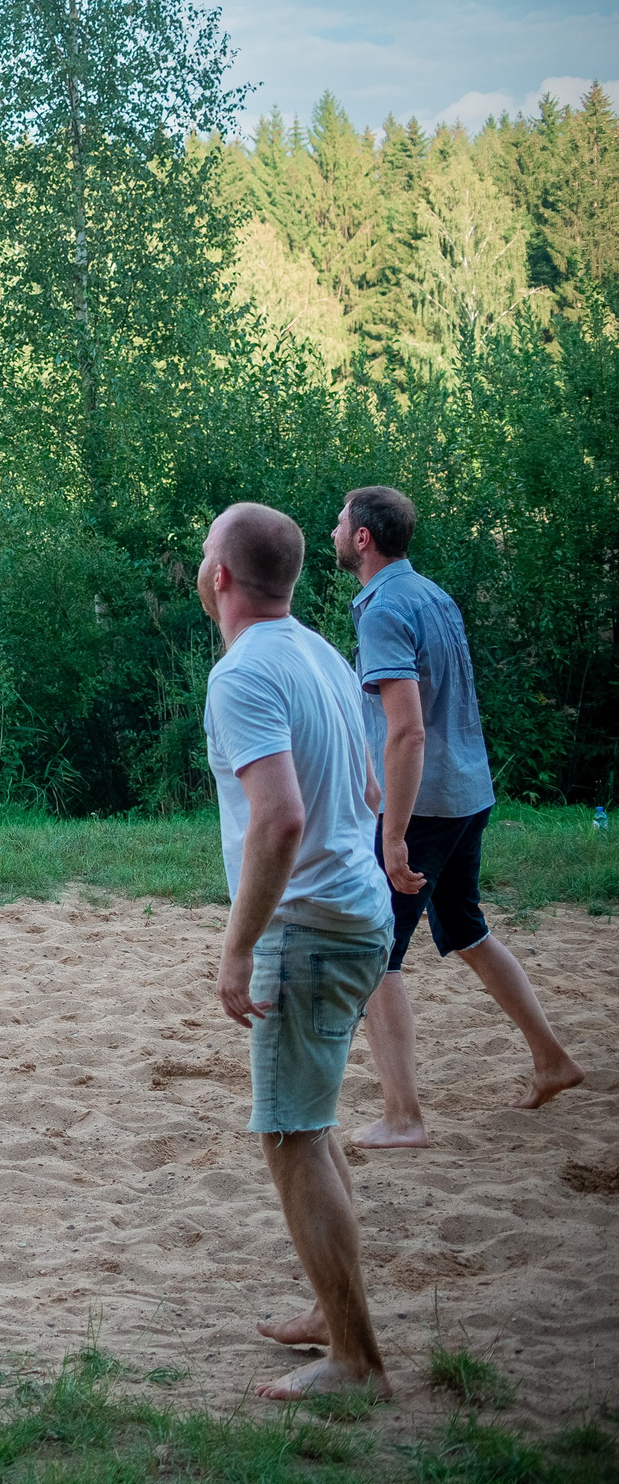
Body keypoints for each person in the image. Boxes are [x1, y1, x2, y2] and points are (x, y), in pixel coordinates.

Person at [197, 501, 390, 1401]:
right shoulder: (317, 651)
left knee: (289, 1135)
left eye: (206, 554)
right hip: (356, 914)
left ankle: (355, 1360)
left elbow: (281, 817)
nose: (202, 566)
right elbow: (364, 784)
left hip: (308, 927)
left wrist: (237, 949)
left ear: (223, 575)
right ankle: (331, 1305)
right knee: (309, 1122)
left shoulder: (243, 673)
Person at [333, 485, 581, 1149]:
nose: (333, 528)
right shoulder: (432, 594)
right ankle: (552, 1058)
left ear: (363, 537)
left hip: (425, 804)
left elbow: (407, 730)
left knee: (374, 953)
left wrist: (391, 832)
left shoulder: (385, 607)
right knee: (467, 928)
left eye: (340, 520)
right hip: (469, 791)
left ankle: (403, 1115)